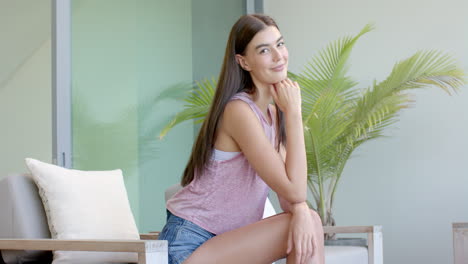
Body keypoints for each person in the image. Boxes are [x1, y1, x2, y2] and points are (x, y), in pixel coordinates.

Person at [158, 14, 325, 264]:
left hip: (228, 241)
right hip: (190, 242)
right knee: (306, 220)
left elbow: (290, 194)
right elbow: (296, 190)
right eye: (264, 50)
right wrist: (294, 112)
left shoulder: (271, 113)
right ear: (244, 62)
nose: (279, 56)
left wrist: (301, 209)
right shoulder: (239, 112)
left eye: (280, 44)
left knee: (309, 219)